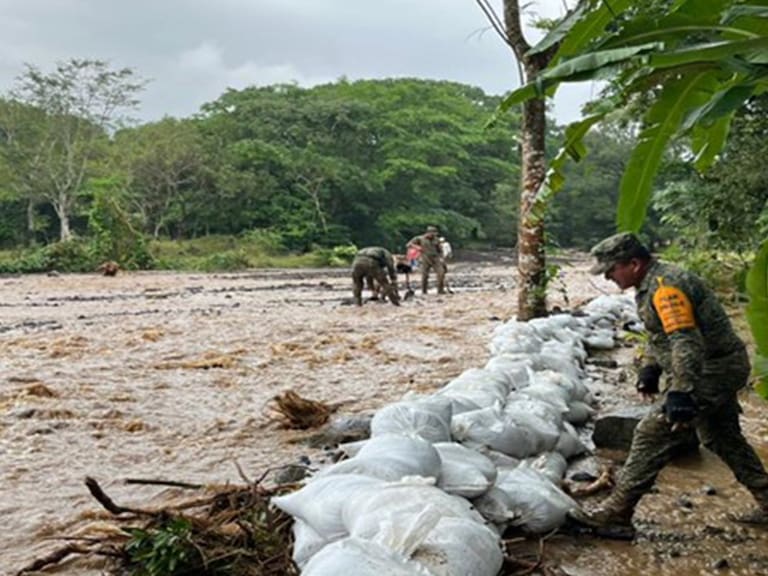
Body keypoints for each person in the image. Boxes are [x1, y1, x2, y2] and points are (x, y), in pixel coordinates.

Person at [570, 232, 768, 533]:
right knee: (721, 436)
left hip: (713, 369)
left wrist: (681, 393)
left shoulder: (666, 287)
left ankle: (617, 515)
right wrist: (650, 368)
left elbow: (686, 342)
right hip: (715, 365)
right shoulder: (650, 284)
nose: (609, 277)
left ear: (634, 263)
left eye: (612, 270)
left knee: (653, 432)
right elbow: (660, 336)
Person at [407, 225, 446, 295]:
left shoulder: (436, 239)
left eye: (435, 234)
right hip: (425, 258)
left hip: (435, 259)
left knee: (441, 273)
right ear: (428, 233)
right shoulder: (420, 238)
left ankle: (440, 290)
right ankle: (424, 291)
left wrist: (442, 258)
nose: (434, 235)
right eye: (432, 234)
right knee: (425, 276)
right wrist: (417, 247)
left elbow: (440, 250)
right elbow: (408, 244)